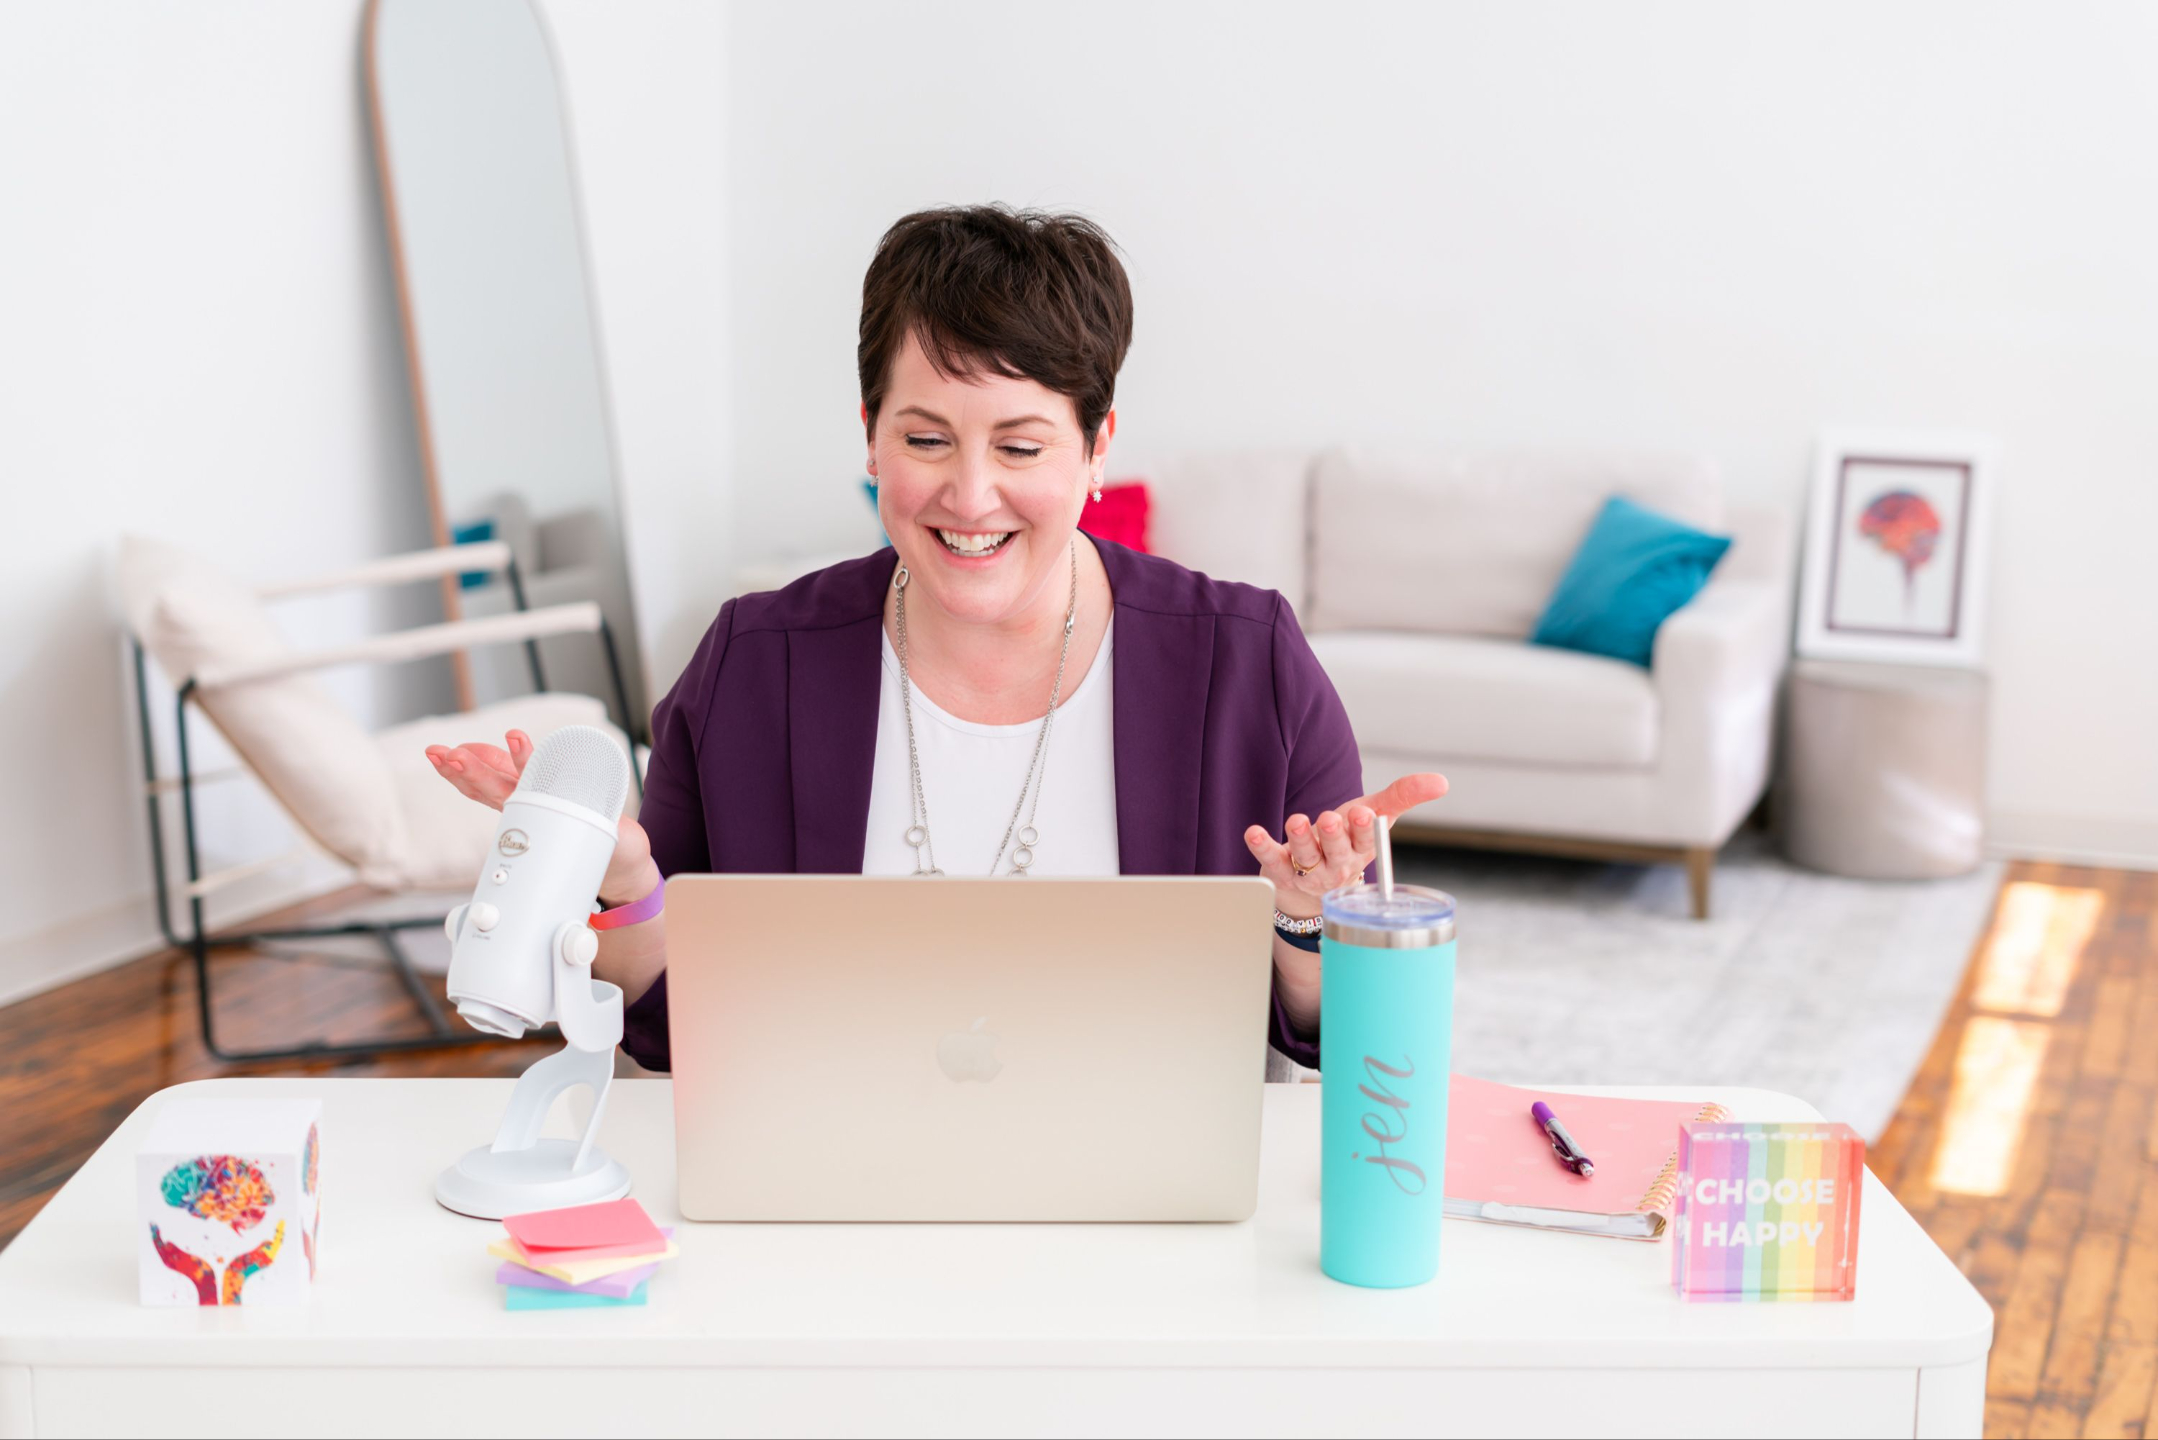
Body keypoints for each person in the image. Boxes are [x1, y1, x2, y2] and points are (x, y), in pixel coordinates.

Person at [426, 205, 1446, 1073]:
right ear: (870, 436)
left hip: (1147, 1214)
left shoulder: (1249, 664)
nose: (969, 495)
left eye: (1020, 446)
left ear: (1097, 447)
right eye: (925, 439)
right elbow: (668, 1027)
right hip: (827, 1195)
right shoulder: (754, 663)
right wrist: (624, 886)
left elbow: (1342, 1040)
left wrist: (1304, 922)